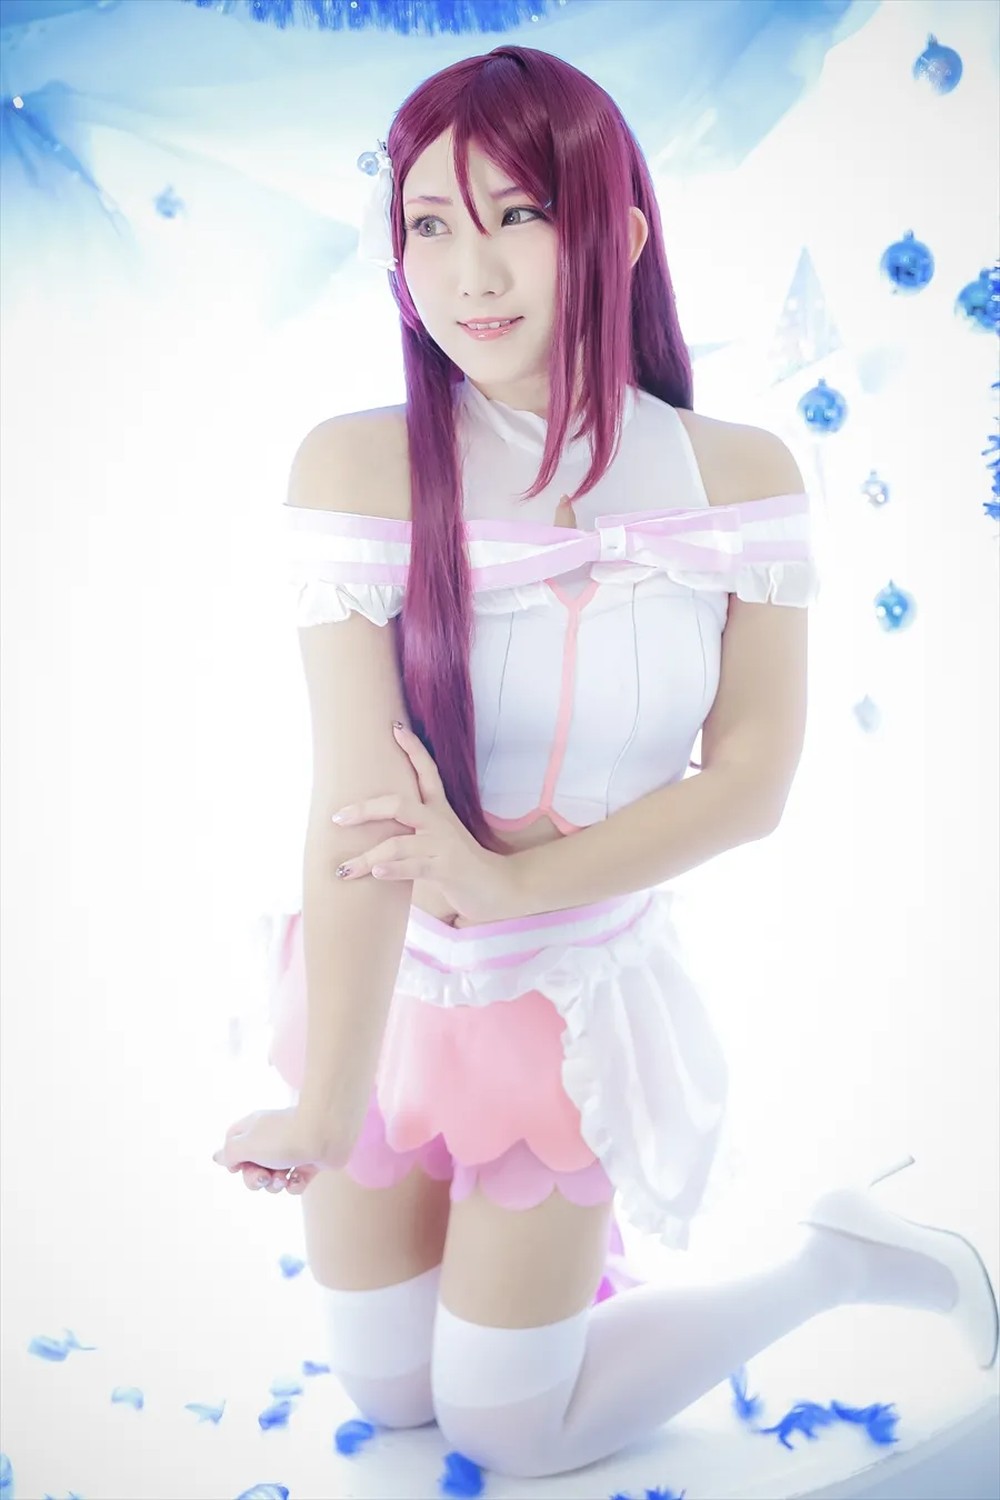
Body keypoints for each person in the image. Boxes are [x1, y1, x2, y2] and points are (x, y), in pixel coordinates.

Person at [212, 44, 998, 1481]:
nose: (469, 272)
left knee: (511, 1429)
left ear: (619, 232)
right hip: (377, 993)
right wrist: (323, 1105)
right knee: (391, 1399)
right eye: (430, 225)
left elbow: (752, 783)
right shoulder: (357, 466)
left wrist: (510, 890)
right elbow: (356, 806)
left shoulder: (738, 476)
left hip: (564, 1006)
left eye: (517, 214)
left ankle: (835, 1262)